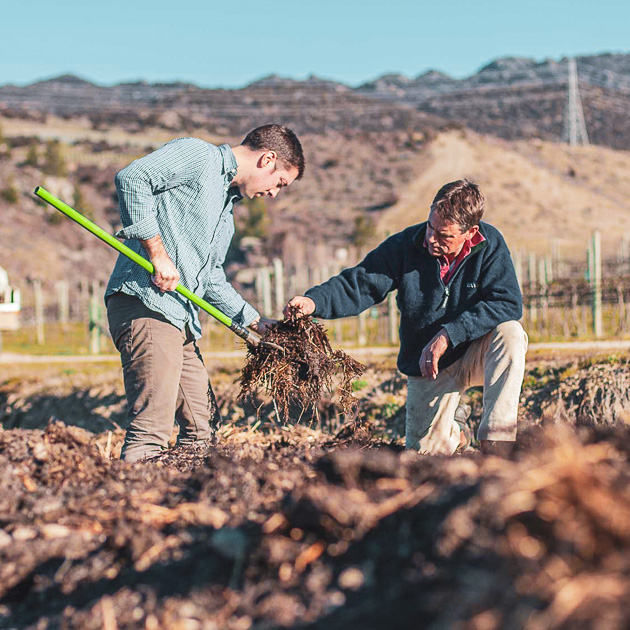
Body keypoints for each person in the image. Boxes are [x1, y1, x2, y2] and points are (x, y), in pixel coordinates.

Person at [106, 124, 305, 462]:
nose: (274, 194)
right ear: (267, 159)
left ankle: (186, 503)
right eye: (280, 183)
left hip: (179, 320)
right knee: (150, 433)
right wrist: (157, 253)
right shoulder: (199, 157)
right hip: (147, 305)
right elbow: (133, 178)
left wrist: (257, 323)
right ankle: (128, 507)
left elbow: (210, 278)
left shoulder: (226, 212)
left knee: (201, 431)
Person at [284, 180, 526, 456]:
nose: (432, 239)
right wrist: (314, 301)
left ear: (469, 232)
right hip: (429, 363)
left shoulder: (490, 244)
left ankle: (497, 443)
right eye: (430, 226)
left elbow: (507, 302)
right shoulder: (405, 246)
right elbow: (359, 284)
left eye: (444, 236)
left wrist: (449, 334)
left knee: (511, 333)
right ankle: (457, 430)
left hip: (475, 351)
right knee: (425, 456)